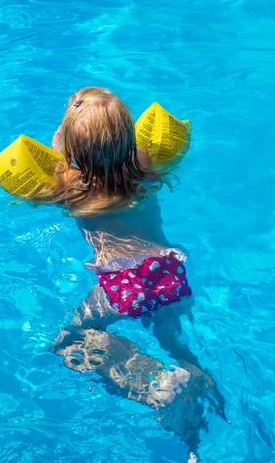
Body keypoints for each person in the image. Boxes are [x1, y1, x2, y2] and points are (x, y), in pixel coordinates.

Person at [32, 87, 226, 461]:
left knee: (68, 341)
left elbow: (44, 173)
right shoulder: (148, 168)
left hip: (123, 286)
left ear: (68, 147)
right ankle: (193, 391)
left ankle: (156, 381)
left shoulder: (70, 189)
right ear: (129, 135)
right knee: (176, 341)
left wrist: (62, 141)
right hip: (168, 270)